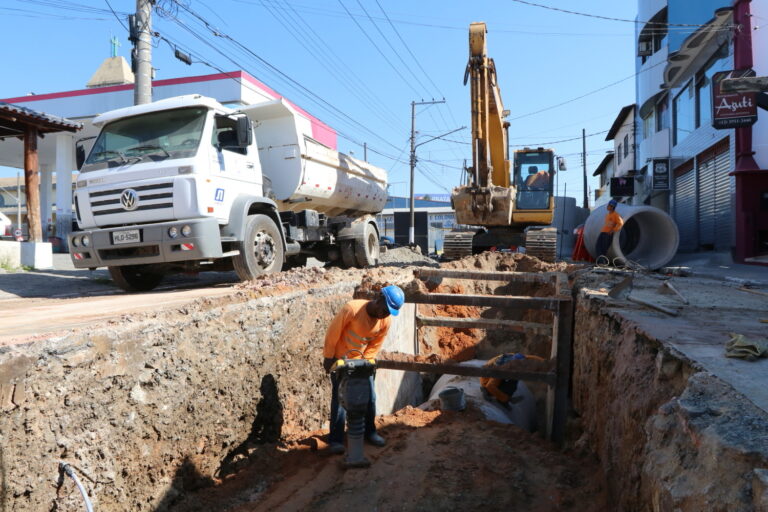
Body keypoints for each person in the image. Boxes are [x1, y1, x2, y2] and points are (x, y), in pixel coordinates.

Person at [322, 285, 405, 455]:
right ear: (379, 297)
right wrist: (328, 357)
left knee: (370, 398)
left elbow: (375, 344)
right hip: (341, 361)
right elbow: (333, 333)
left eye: (389, 312)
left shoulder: (385, 321)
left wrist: (366, 364)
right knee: (340, 399)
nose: (385, 313)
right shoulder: (352, 309)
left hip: (361, 362)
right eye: (385, 309)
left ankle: (370, 432)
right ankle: (336, 440)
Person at [480, 353, 544, 407]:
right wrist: (507, 399)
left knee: (514, 378)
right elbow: (490, 386)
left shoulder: (512, 357)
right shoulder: (501, 368)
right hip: (487, 383)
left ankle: (500, 397)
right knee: (513, 381)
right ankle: (490, 394)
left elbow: (530, 357)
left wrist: (545, 362)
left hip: (491, 376)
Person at [596, 199, 624, 263]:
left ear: (612, 207)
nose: (607, 207)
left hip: (607, 234)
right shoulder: (608, 215)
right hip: (603, 232)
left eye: (609, 205)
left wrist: (613, 230)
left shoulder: (615, 215)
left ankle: (602, 262)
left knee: (603, 248)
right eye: (608, 205)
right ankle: (600, 261)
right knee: (598, 247)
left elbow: (621, 223)